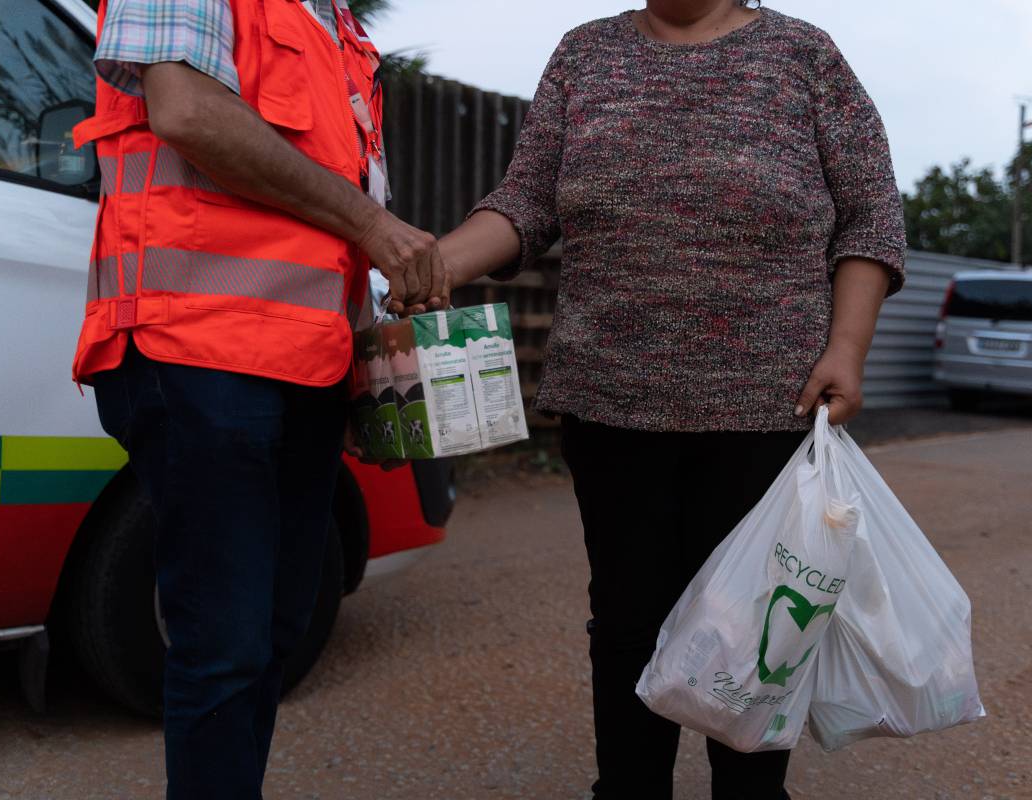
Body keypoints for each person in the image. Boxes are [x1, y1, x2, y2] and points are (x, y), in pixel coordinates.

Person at [438, 0, 906, 797]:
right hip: (611, 401)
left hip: (770, 405)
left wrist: (848, 348)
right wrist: (434, 262)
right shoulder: (584, 55)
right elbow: (527, 202)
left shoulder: (803, 55)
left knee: (757, 629)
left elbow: (870, 215)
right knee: (627, 624)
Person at [72, 1, 445, 797]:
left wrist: (360, 363)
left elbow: (326, 223)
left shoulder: (337, 30)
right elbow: (186, 111)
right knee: (225, 645)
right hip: (196, 346)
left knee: (274, 633)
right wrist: (374, 226)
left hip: (303, 362)